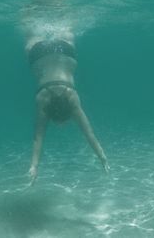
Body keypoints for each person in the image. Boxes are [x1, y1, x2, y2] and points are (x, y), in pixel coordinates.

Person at [26, 35, 110, 184]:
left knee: (66, 31)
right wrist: (33, 167)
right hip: (38, 57)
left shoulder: (72, 99)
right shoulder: (43, 99)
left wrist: (102, 156)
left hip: (66, 54)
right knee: (31, 37)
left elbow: (89, 134)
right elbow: (37, 138)